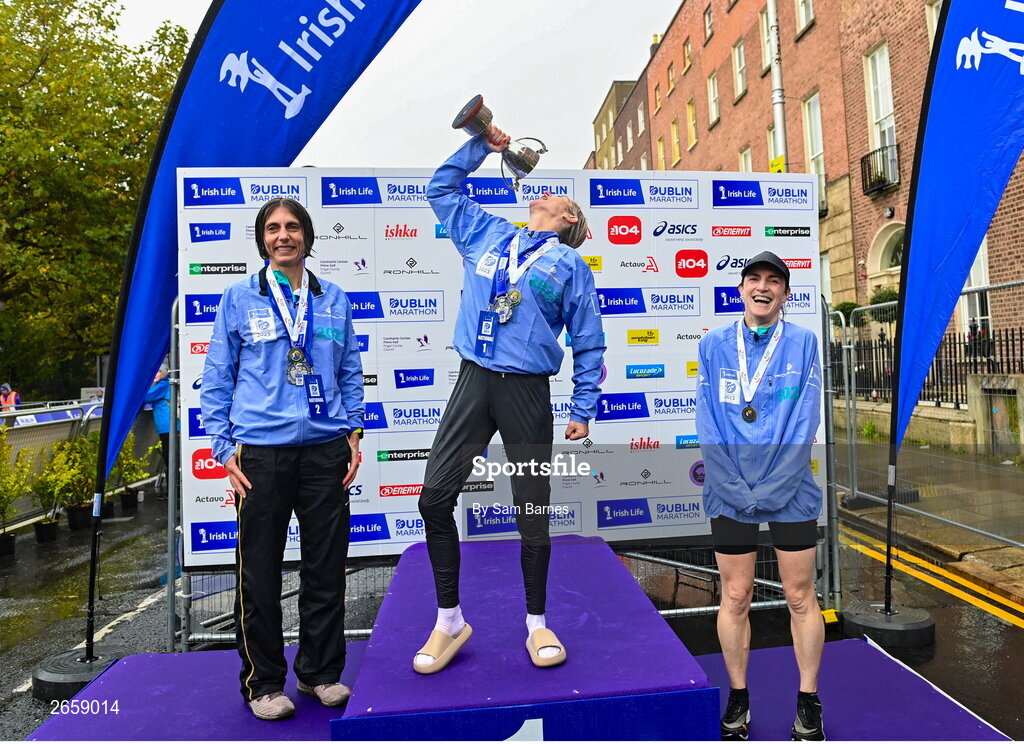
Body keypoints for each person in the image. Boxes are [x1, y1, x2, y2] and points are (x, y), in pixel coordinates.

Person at [413, 125, 605, 674]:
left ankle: (537, 623)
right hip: (474, 380)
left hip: (525, 391)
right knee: (433, 499)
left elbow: (589, 341)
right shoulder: (487, 233)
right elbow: (441, 190)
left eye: (555, 196)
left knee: (532, 514)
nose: (541, 193)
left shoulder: (571, 267)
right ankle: (449, 620)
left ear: (569, 219)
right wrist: (485, 147)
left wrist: (581, 408)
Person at [201, 197, 365, 721]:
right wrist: (224, 448)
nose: (283, 235)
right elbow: (218, 377)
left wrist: (354, 431)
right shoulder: (238, 297)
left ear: (307, 236)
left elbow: (350, 372)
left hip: (324, 451)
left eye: (293, 226)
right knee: (259, 576)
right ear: (262, 239)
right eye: (273, 228)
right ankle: (263, 683)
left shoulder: (333, 298)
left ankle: (320, 673)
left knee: (325, 570)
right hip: (261, 456)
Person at [695, 251, 825, 741]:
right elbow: (707, 420)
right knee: (735, 594)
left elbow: (804, 420)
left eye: (774, 280)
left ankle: (808, 701)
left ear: (786, 293)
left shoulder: (804, 342)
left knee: (798, 595)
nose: (763, 287)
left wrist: (771, 487)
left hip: (789, 488)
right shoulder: (713, 346)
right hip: (729, 488)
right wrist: (731, 485)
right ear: (742, 289)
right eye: (754, 279)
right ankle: (739, 697)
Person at [142, 367, 170, 492]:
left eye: (159, 371)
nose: (155, 374)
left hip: (167, 426)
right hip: (169, 426)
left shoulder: (163, 385)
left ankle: (172, 492)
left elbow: (146, 397)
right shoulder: (167, 383)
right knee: (170, 458)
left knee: (169, 459)